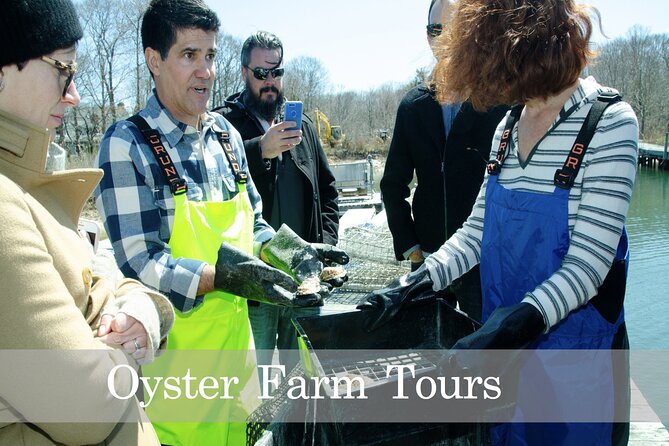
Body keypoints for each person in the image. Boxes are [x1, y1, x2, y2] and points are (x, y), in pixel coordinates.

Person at [361, 0, 638, 444]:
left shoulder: (607, 123)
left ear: (527, 49)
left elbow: (589, 265)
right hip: (502, 357)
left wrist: (515, 325)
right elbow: (475, 232)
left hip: (573, 360)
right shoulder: (508, 126)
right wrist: (420, 280)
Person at [94, 1, 347, 444]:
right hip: (180, 383)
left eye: (210, 56)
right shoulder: (127, 144)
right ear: (154, 60)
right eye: (189, 55)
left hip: (240, 372)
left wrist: (294, 254)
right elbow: (140, 262)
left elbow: (256, 226)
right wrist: (224, 277)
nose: (205, 71)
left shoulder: (226, 139)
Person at [0, 0, 175, 444]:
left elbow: (108, 280)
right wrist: (130, 355)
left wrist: (142, 311)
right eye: (63, 68)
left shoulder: (26, 184)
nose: (74, 94)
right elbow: (83, 405)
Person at [213, 31, 340, 377]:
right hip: (256, 287)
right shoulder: (222, 126)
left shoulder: (305, 127)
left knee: (300, 380)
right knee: (253, 385)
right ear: (243, 73)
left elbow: (328, 191)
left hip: (303, 281)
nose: (270, 81)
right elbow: (215, 189)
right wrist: (259, 150)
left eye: (277, 72)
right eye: (260, 73)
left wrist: (323, 250)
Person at [380, 0, 508, 321]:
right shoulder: (412, 105)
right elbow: (393, 185)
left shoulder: (498, 101)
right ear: (428, 37)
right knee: (433, 354)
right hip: (427, 258)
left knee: (485, 354)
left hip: (484, 259)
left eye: (457, 30)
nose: (447, 39)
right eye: (438, 30)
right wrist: (411, 246)